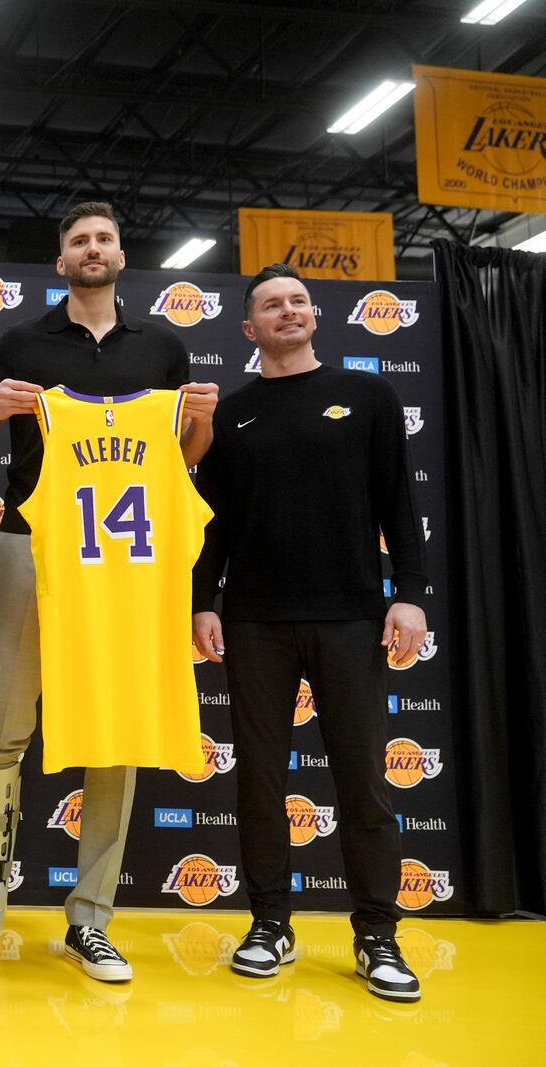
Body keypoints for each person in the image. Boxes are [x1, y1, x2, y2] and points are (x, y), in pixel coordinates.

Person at [0, 201, 219, 979]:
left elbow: (184, 462)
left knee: (114, 728)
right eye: (77, 241)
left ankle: (90, 917)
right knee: (4, 721)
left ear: (122, 255)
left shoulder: (163, 348)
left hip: (130, 559)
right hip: (32, 544)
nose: (92, 249)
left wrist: (201, 424)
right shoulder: (22, 342)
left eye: (103, 239)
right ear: (60, 261)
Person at [191, 262, 428, 1001]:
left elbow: (399, 502)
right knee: (261, 782)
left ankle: (377, 936)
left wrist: (411, 596)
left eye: (298, 301)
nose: (287, 311)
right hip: (254, 620)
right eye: (271, 304)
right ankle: (270, 924)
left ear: (315, 317)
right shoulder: (230, 413)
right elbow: (215, 523)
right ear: (249, 328)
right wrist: (204, 601)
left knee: (362, 782)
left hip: (351, 616)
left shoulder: (368, 395)